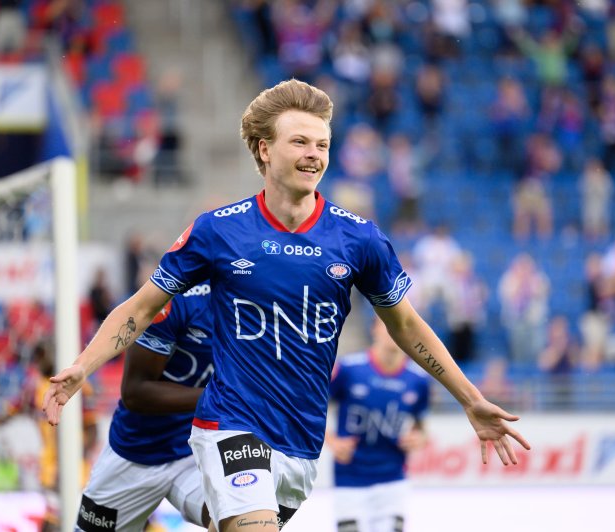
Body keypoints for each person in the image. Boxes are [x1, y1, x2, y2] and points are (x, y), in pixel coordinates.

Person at [43, 79, 530, 532]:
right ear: (264, 149)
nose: (313, 154)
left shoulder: (359, 239)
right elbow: (142, 306)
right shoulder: (219, 231)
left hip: (300, 441)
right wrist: (84, 366)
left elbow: (405, 325)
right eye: (299, 142)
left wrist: (470, 397)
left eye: (321, 144)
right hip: (230, 424)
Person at [76, 285, 214, 531]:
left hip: (196, 452)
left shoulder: (260, 304)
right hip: (134, 454)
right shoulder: (177, 298)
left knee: (242, 520)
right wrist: (219, 398)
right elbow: (135, 393)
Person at [326, 318, 430, 532]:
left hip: (392, 479)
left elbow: (421, 426)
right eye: (387, 324)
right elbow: (314, 406)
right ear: (374, 329)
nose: (393, 331)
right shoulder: (350, 369)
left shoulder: (418, 380)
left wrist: (418, 438)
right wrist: (331, 441)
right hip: (349, 478)